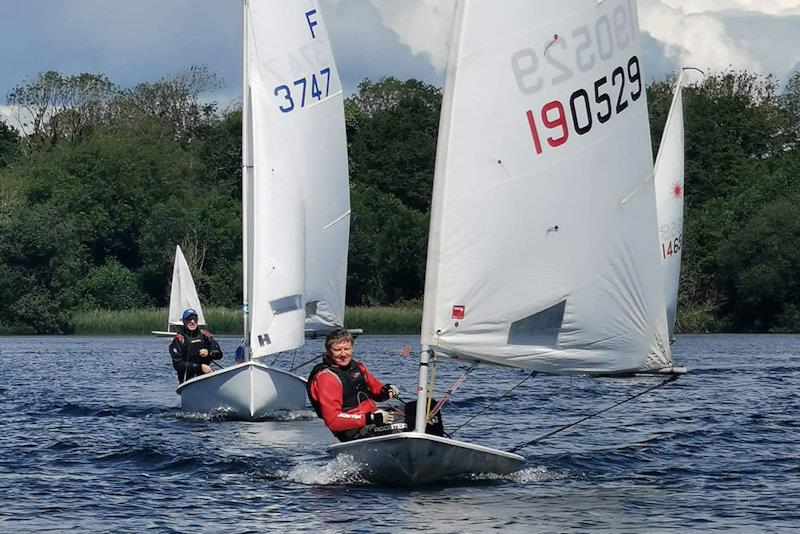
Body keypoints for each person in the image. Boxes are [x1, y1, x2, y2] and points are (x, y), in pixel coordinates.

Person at [307, 328, 401, 442]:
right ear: (329, 351)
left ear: (352, 348)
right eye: (337, 350)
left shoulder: (357, 367)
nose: (343, 354)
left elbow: (376, 390)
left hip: (373, 419)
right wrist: (369, 418)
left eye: (346, 349)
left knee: (419, 409)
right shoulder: (326, 378)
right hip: (355, 432)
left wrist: (387, 390)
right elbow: (333, 420)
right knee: (410, 423)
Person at [169, 308, 223, 383]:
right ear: (184, 321)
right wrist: (200, 367)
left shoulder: (205, 336)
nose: (192, 321)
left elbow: (219, 355)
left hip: (206, 377)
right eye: (189, 319)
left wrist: (209, 352)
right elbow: (178, 364)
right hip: (188, 381)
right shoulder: (179, 339)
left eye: (195, 319)